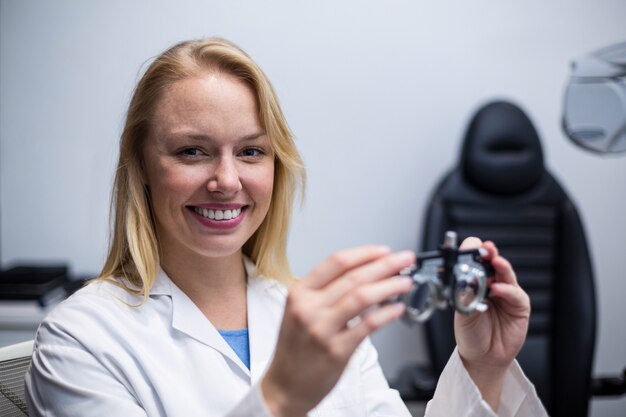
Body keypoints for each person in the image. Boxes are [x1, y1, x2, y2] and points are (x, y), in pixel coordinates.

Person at [25, 38, 547, 417]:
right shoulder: (79, 340)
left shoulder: (317, 320)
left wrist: (484, 367)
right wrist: (279, 399)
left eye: (251, 151)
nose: (227, 180)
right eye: (192, 152)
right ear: (141, 168)